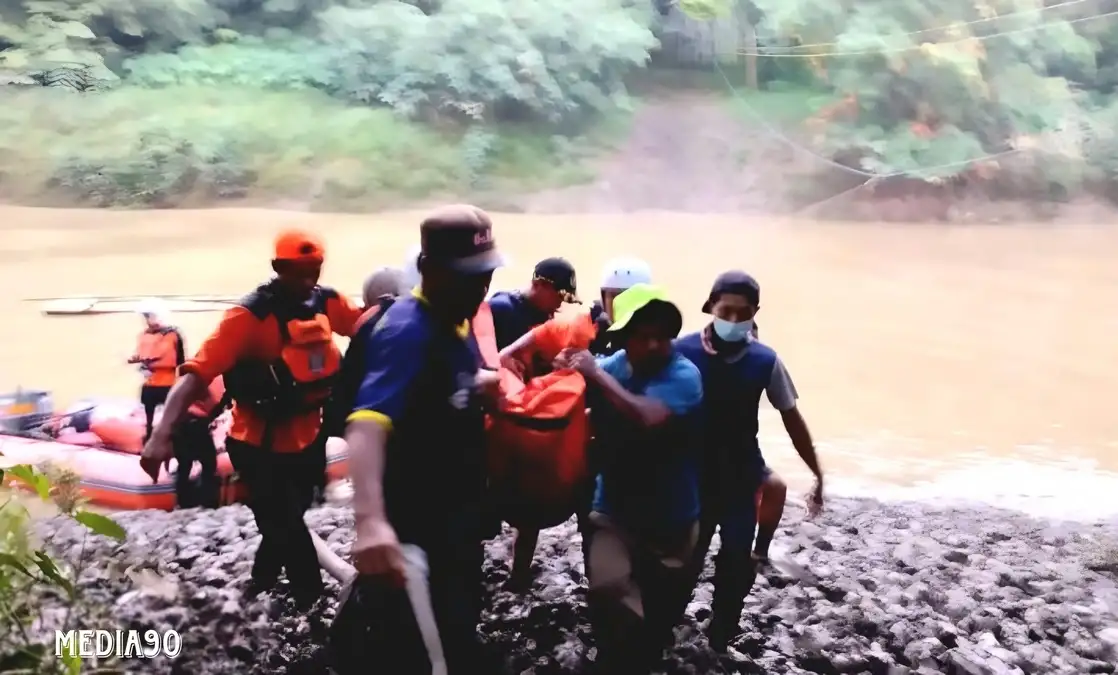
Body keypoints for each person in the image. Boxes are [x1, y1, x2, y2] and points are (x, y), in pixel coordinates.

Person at [140, 228, 362, 607]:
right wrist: (161, 434)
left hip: (310, 437)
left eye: (315, 269)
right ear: (278, 267)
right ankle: (313, 601)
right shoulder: (247, 316)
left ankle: (259, 584)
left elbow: (362, 324)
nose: (308, 278)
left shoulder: (327, 302)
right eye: (298, 270)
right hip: (256, 444)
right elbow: (196, 376)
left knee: (284, 519)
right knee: (286, 522)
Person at [342, 204, 504, 675]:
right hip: (416, 527)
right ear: (429, 270)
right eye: (468, 275)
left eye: (487, 274)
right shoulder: (406, 331)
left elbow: (432, 387)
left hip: (457, 519)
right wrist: (370, 522)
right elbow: (367, 423)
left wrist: (477, 383)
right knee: (424, 652)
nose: (481, 287)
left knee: (458, 624)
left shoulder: (455, 321)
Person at [674, 271, 824, 653]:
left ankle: (721, 635)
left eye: (745, 313)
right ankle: (667, 623)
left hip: (741, 476)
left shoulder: (765, 361)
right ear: (709, 307)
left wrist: (816, 473)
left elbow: (792, 418)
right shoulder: (680, 351)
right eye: (727, 311)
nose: (735, 321)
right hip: (691, 476)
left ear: (756, 312)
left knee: (737, 560)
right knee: (685, 558)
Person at [557, 283, 703, 675]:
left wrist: (594, 374)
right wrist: (564, 366)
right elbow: (573, 377)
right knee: (606, 586)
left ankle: (641, 653)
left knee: (659, 615)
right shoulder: (615, 364)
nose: (654, 345)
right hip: (614, 509)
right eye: (643, 337)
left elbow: (648, 416)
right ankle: (621, 653)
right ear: (624, 338)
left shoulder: (685, 375)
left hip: (672, 514)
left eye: (662, 337)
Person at [487, 257, 579, 350]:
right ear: (537, 284)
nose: (559, 305)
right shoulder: (501, 310)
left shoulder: (543, 315)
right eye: (558, 296)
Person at [128, 299, 185, 444]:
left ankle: (172, 439)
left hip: (169, 383)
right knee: (149, 412)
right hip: (150, 382)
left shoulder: (172, 335)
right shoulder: (144, 335)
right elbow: (141, 354)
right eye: (145, 316)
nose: (147, 320)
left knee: (172, 415)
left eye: (149, 316)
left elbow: (175, 359)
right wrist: (135, 359)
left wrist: (147, 360)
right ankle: (149, 436)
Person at [173, 375, 225, 509]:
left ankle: (183, 501)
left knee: (184, 465)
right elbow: (213, 404)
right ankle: (208, 501)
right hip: (197, 423)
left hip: (179, 424)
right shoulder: (207, 384)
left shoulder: (180, 382)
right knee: (209, 464)